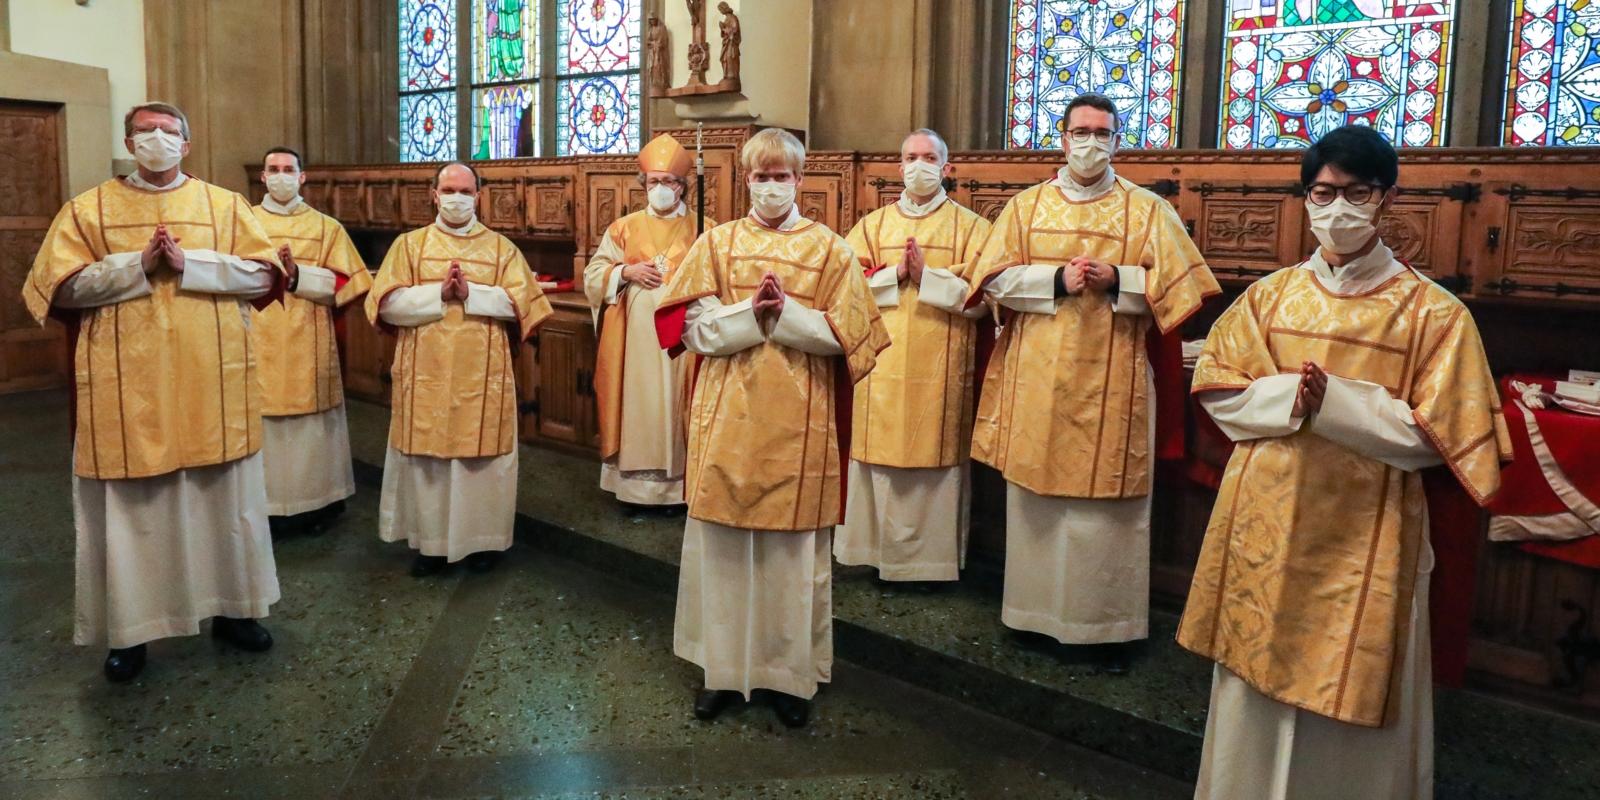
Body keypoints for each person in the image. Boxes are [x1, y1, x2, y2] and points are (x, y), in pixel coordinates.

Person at [1178, 125, 1511, 800]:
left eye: (1355, 192)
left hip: (1366, 535)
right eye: (1324, 192)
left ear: (1384, 197)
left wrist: (1338, 406)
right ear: (1305, 198)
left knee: (1353, 691)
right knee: (1254, 689)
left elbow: (1444, 436)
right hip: (1266, 524)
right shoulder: (1270, 297)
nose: (1338, 207)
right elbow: (1216, 388)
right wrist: (1289, 400)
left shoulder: (1433, 314)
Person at [23, 102, 290, 682]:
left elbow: (265, 275)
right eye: (146, 131)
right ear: (128, 140)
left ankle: (235, 609)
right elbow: (58, 289)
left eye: (170, 132)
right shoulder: (89, 208)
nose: (158, 140)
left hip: (213, 379)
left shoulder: (224, 205)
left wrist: (189, 263)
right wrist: (137, 266)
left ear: (188, 144)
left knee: (225, 501)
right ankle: (131, 630)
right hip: (128, 387)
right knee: (134, 511)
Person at [966, 93, 1219, 672]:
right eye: (1081, 131)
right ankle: (1032, 618)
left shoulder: (1147, 211)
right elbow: (991, 282)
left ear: (1117, 140)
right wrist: (1055, 278)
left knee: (1107, 513)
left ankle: (1105, 629)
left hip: (1115, 378)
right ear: (1062, 137)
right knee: (1037, 505)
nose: (1090, 143)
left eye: (1102, 133)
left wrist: (1119, 279)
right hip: (1038, 379)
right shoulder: (1027, 207)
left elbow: (1181, 290)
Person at [656, 128, 889, 728]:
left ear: (800, 180)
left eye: (781, 175)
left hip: (799, 422)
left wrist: (782, 317)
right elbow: (690, 330)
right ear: (746, 180)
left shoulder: (832, 251)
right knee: (724, 553)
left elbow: (852, 340)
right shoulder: (716, 244)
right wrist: (747, 315)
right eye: (760, 176)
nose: (770, 186)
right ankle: (722, 671)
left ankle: (789, 678)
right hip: (726, 416)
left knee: (791, 559)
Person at [365, 162, 552, 577]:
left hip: (483, 376)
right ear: (434, 195)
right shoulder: (409, 246)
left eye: (465, 191)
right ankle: (430, 545)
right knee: (429, 461)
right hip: (425, 373)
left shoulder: (502, 249)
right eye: (448, 189)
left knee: (480, 461)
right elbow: (386, 306)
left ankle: (482, 543)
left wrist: (471, 295)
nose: (456, 198)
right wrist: (438, 293)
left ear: (478, 197)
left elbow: (526, 305)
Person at [835, 128, 990, 586]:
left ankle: (928, 565)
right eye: (910, 157)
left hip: (940, 368)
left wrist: (929, 280)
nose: (918, 165)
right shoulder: (872, 226)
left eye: (929, 157)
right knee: (877, 456)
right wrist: (895, 274)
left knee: (934, 461)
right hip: (880, 369)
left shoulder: (973, 228)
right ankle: (874, 553)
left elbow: (985, 298)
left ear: (947, 168)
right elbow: (845, 287)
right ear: (898, 166)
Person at [583, 133, 712, 510]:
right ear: (643, 186)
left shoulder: (705, 227)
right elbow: (594, 275)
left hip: (685, 340)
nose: (660, 188)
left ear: (683, 186)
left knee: (679, 406)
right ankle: (634, 491)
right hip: (635, 343)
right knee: (639, 406)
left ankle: (681, 490)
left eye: (668, 181)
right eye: (653, 182)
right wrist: (625, 271)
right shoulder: (623, 228)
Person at [252, 146, 372, 536]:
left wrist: (298, 275)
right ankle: (262, 506)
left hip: (309, 335)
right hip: (256, 335)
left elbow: (351, 281)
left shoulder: (325, 227)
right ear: (262, 176)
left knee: (310, 423)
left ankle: (316, 504)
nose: (281, 175)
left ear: (303, 177)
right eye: (274, 169)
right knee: (261, 420)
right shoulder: (244, 223)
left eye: (289, 169)